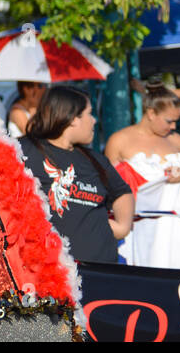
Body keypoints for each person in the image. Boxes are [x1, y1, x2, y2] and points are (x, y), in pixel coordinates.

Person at [19, 86, 134, 264]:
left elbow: (121, 192)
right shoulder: (23, 150)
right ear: (73, 118)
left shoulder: (94, 160)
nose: (94, 121)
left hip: (102, 272)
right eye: (89, 114)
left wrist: (122, 227)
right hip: (48, 274)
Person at [105, 80, 180, 269]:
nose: (174, 126)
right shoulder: (120, 140)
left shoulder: (177, 140)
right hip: (139, 225)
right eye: (169, 121)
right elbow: (109, 186)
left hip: (177, 225)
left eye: (176, 121)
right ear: (151, 113)